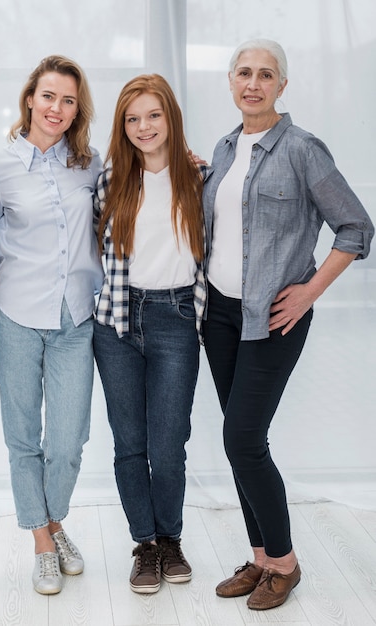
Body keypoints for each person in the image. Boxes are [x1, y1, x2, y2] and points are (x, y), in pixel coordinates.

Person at [202, 39, 374, 611]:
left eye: (266, 74)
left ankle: (287, 562)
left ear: (282, 85)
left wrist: (309, 291)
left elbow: (355, 227)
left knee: (242, 439)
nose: (253, 83)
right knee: (240, 443)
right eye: (244, 73)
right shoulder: (224, 150)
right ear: (230, 82)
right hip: (219, 315)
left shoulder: (303, 150)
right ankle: (260, 560)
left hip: (274, 318)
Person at [0, 55, 103, 595]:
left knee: (70, 439)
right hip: (15, 318)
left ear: (78, 110)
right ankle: (44, 543)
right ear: (30, 98)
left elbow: (137, 188)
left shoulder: (92, 163)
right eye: (48, 96)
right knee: (23, 438)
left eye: (68, 100)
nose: (57, 108)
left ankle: (52, 523)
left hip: (76, 315)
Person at [93, 74, 206, 594]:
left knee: (169, 444)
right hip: (117, 322)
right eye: (132, 118)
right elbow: (85, 247)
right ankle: (145, 544)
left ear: (171, 118)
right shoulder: (112, 177)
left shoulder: (200, 176)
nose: (143, 126)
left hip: (177, 319)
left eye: (153, 115)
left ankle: (170, 538)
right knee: (129, 443)